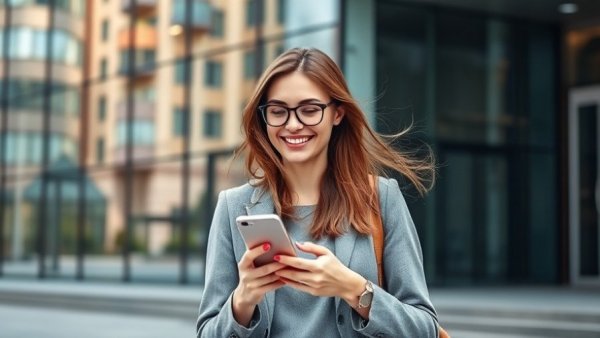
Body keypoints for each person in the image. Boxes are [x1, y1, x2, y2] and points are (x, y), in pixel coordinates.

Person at [196, 47, 439, 338]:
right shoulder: (233, 206)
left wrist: (353, 288)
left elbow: (425, 328)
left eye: (310, 110)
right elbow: (207, 333)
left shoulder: (382, 198)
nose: (293, 124)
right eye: (278, 111)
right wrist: (244, 298)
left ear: (337, 114)